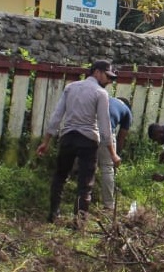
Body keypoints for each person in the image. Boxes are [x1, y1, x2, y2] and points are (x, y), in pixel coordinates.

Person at [36, 60, 120, 223]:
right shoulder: (100, 93)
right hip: (88, 141)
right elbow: (104, 126)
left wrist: (46, 141)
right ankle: (79, 222)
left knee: (59, 177)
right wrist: (113, 154)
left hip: (67, 137)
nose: (109, 81)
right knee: (85, 184)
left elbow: (56, 117)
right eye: (107, 77)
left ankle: (53, 215)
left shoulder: (71, 87)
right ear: (97, 72)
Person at [98, 96, 132, 210]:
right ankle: (108, 205)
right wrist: (116, 154)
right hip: (106, 131)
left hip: (88, 128)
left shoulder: (107, 99)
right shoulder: (127, 111)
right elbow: (121, 137)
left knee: (84, 162)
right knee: (107, 168)